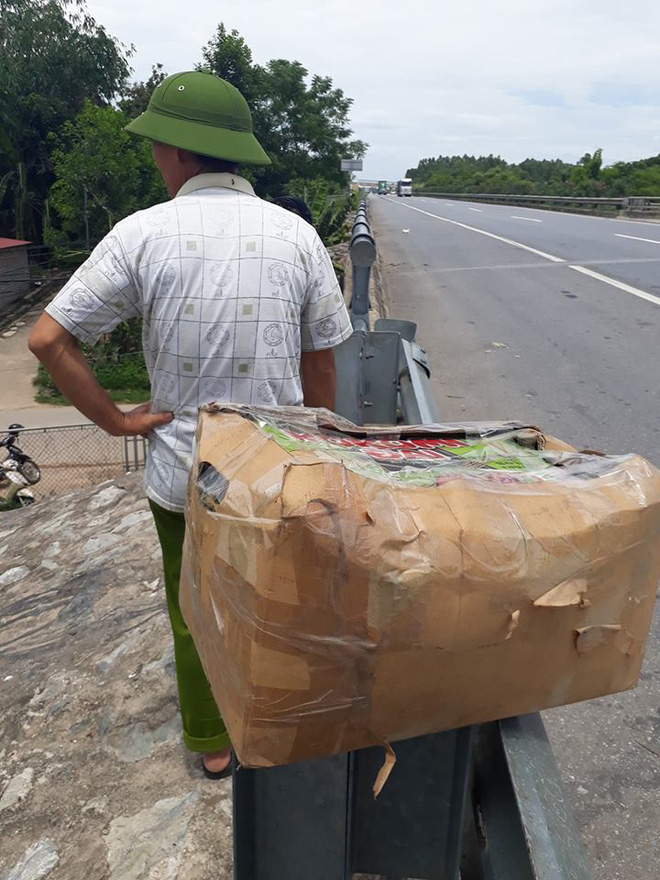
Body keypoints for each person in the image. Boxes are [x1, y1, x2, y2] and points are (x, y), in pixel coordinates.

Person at [28, 71, 353, 779]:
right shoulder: (296, 235)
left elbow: (49, 340)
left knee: (192, 609)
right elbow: (321, 363)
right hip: (278, 472)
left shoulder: (140, 234)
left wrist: (116, 420)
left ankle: (212, 746)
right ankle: (279, 727)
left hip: (185, 472)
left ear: (176, 152)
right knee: (280, 604)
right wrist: (317, 444)